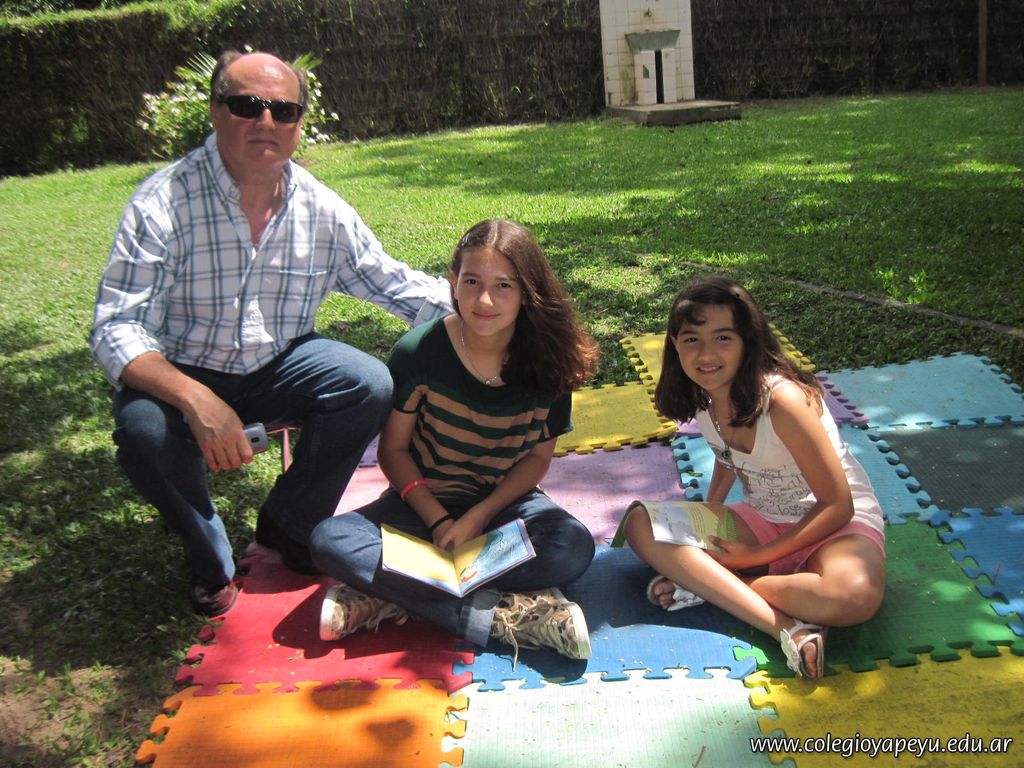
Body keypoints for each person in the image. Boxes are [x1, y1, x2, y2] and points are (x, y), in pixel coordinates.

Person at [89, 50, 452, 617]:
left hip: (279, 364)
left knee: (367, 384)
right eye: (247, 105)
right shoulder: (163, 202)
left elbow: (391, 283)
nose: (266, 121)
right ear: (215, 111)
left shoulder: (320, 209)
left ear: (299, 123)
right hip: (181, 371)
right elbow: (116, 326)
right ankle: (210, 560)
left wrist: (497, 310)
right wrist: (196, 399)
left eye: (283, 110)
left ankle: (290, 526)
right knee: (144, 433)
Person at [310, 219, 599, 660]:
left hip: (501, 512)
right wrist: (441, 521)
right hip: (421, 509)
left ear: (528, 291)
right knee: (332, 540)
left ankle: (393, 595)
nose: (484, 300)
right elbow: (393, 451)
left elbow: (537, 461)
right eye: (472, 282)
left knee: (572, 546)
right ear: (452, 281)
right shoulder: (419, 351)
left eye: (504, 285)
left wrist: (477, 518)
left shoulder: (552, 359)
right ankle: (502, 616)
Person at [624, 277, 886, 677]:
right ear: (674, 345)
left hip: (835, 527)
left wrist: (752, 559)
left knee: (852, 598)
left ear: (748, 340)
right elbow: (729, 457)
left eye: (723, 338)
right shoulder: (705, 398)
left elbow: (838, 505)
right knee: (640, 523)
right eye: (691, 339)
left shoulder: (783, 400)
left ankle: (722, 586)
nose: (706, 354)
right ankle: (787, 628)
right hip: (763, 520)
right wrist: (708, 512)